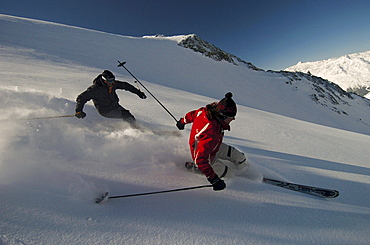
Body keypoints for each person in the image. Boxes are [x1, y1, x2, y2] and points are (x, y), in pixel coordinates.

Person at [176, 92, 249, 191]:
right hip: (206, 154)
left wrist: (182, 121)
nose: (233, 119)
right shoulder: (210, 132)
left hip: (214, 146)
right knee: (229, 174)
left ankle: (243, 172)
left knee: (241, 158)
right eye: (231, 117)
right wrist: (214, 179)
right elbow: (200, 159)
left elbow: (192, 115)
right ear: (223, 116)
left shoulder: (206, 111)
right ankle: (198, 169)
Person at [75, 70, 146, 126]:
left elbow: (125, 85)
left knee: (129, 116)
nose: (113, 82)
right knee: (126, 115)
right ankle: (134, 130)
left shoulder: (113, 84)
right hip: (106, 110)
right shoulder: (95, 89)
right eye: (110, 80)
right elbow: (81, 98)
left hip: (115, 106)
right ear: (104, 81)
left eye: (113, 80)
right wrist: (79, 111)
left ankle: (134, 127)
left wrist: (138, 93)